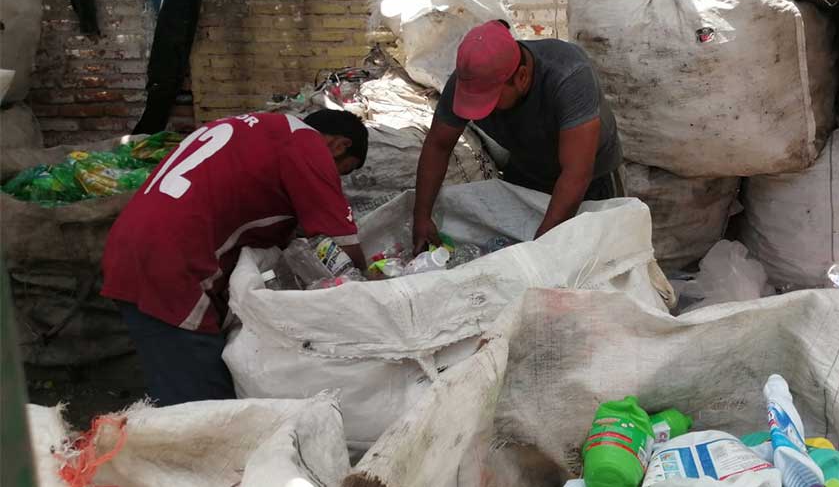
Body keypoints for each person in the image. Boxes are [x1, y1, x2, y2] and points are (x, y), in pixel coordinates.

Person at [102, 110, 369, 406]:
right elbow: (343, 248)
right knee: (204, 406)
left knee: (171, 371)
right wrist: (374, 289)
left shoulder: (259, 127)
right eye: (343, 171)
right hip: (173, 261)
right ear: (340, 146)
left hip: (130, 243)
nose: (336, 180)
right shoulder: (307, 144)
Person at [413, 20, 624, 251]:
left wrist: (536, 251)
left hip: (590, 181)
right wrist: (422, 217)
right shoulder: (471, 80)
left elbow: (576, 174)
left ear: (522, 78)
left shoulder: (568, 76)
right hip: (528, 169)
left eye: (490, 102)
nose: (485, 111)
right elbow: (438, 146)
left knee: (587, 259)